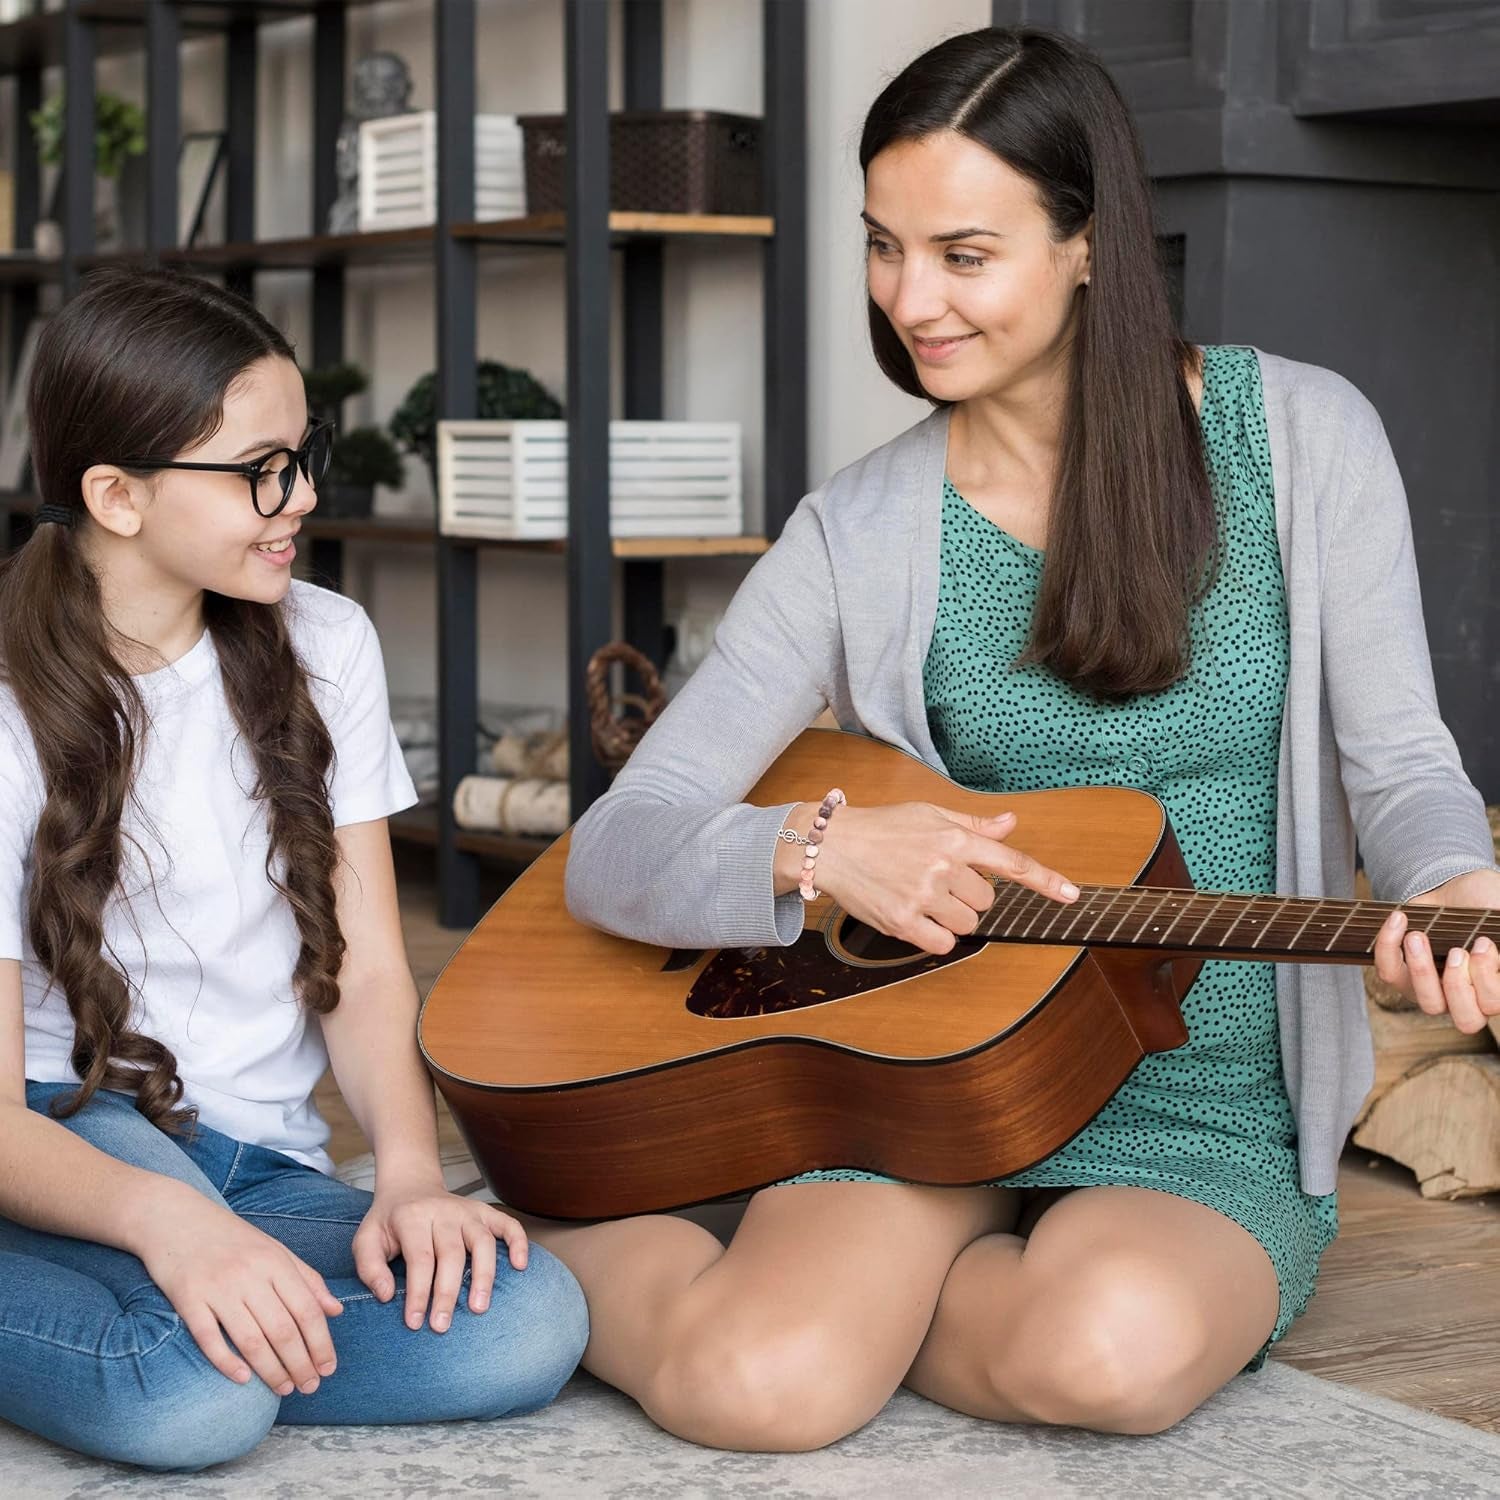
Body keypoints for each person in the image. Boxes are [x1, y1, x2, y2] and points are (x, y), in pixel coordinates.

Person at [549, 26, 1499, 1452]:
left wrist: (1451, 880)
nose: (909, 300)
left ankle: (810, 1273)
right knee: (755, 1391)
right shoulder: (858, 528)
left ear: (1089, 245)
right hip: (923, 1084)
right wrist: (819, 849)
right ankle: (537, 1238)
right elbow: (615, 846)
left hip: (1207, 1096)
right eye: (884, 246)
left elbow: (1407, 766)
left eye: (962, 254)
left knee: (1105, 1356)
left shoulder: (1303, 439)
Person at [0, 268, 587, 1472]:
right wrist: (167, 1222)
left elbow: (369, 976)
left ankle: (180, 1328)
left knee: (526, 1326)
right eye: (260, 468)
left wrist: (415, 1180)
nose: (302, 494)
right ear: (116, 494)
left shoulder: (326, 642)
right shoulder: (7, 712)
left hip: (259, 1163)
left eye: (302, 451)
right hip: (74, 1146)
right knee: (192, 1402)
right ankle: (154, 1322)